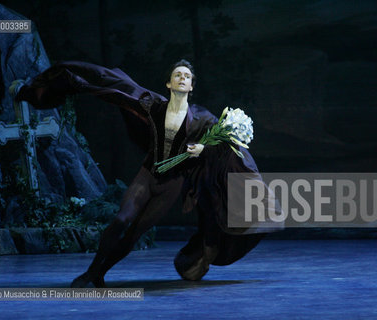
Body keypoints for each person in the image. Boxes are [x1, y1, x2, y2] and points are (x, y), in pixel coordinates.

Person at [14, 59, 272, 287]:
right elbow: (117, 91)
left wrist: (203, 149)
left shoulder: (202, 119)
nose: (182, 78)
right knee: (122, 220)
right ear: (169, 84)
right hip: (149, 175)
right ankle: (91, 272)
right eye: (177, 75)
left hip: (172, 183)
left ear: (191, 86)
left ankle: (100, 272)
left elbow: (223, 147)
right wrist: (81, 84)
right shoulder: (154, 106)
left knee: (135, 232)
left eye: (187, 77)